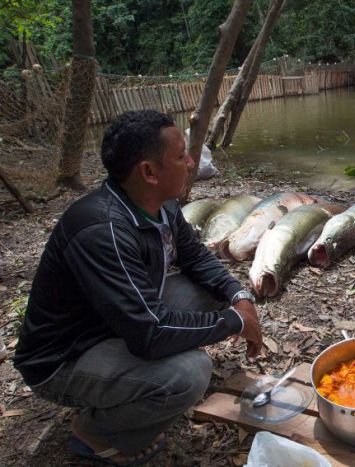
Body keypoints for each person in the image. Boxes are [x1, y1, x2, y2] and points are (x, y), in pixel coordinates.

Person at [13, 110, 263, 465]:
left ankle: (126, 390)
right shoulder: (103, 230)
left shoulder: (160, 204)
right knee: (190, 374)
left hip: (112, 322)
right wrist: (237, 323)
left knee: (212, 293)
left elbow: (195, 258)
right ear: (148, 171)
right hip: (64, 357)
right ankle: (95, 430)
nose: (191, 162)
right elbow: (149, 332)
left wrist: (239, 298)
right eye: (180, 155)